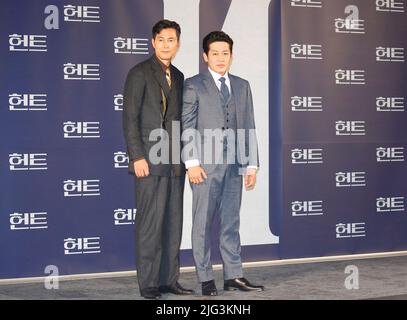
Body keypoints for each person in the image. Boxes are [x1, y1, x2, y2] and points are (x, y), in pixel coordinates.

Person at [182, 31, 265, 296]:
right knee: (202, 225)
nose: (220, 58)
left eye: (225, 53)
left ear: (231, 55)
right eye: (215, 53)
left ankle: (234, 275)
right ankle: (205, 279)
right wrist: (191, 162)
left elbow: (249, 125)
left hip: (234, 165)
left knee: (231, 222)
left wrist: (251, 165)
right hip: (204, 167)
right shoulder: (194, 85)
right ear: (205, 56)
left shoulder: (242, 86)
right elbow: (186, 125)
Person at [123, 19, 193, 299]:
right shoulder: (139, 73)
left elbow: (179, 122)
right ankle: (149, 283)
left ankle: (169, 280)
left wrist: (187, 159)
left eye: (172, 40)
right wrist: (137, 156)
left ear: (178, 44)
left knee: (172, 224)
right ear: (153, 42)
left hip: (175, 163)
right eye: (161, 39)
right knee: (150, 224)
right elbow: (130, 119)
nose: (166, 44)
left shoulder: (179, 75)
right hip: (149, 161)